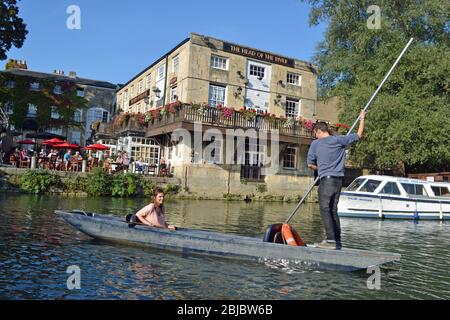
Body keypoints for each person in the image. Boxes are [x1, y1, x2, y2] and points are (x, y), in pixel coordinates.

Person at [307, 110, 366, 250]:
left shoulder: (316, 144)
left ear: (319, 131)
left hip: (326, 180)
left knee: (324, 209)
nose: (316, 136)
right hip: (339, 181)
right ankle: (337, 241)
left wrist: (320, 168)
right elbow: (359, 135)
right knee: (333, 210)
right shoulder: (339, 140)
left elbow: (310, 164)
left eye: (316, 133)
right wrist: (362, 118)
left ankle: (330, 241)